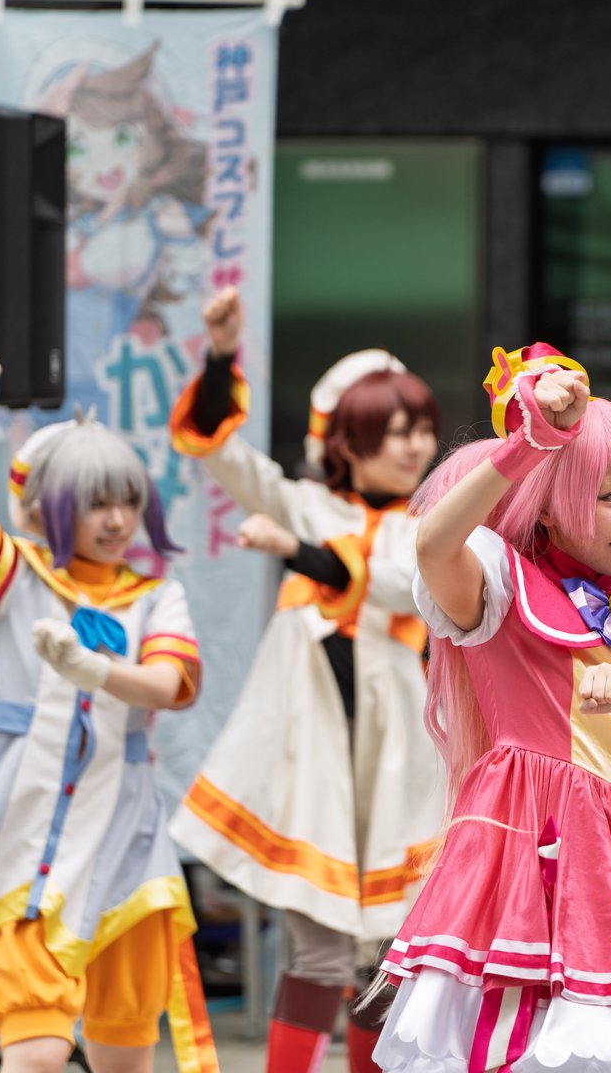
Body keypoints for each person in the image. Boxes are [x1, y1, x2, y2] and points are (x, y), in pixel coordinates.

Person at [371, 346, 611, 1070]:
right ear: (550, 502)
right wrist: (531, 443)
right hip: (523, 852)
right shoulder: (504, 588)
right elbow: (432, 542)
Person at [0, 356, 215, 1073]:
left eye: (127, 502)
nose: (115, 521)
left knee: (124, 1059)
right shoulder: (16, 575)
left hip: (122, 849)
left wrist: (95, 672)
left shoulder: (152, 597)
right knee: (40, 1054)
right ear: (50, 506)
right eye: (93, 503)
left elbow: (171, 684)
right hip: (17, 843)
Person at [166, 288, 445, 1073]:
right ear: (346, 440)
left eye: (422, 429)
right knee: (320, 950)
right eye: (395, 432)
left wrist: (302, 551)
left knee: (389, 957)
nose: (415, 446)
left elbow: (401, 586)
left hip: (403, 765)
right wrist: (222, 357)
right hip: (317, 764)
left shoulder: (433, 525)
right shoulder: (304, 499)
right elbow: (220, 453)